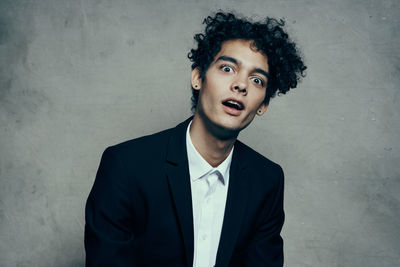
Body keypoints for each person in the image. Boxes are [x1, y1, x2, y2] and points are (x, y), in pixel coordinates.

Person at [85, 12, 306, 267]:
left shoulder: (267, 180)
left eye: (257, 80)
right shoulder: (125, 166)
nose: (241, 85)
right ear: (198, 78)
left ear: (263, 105)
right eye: (227, 68)